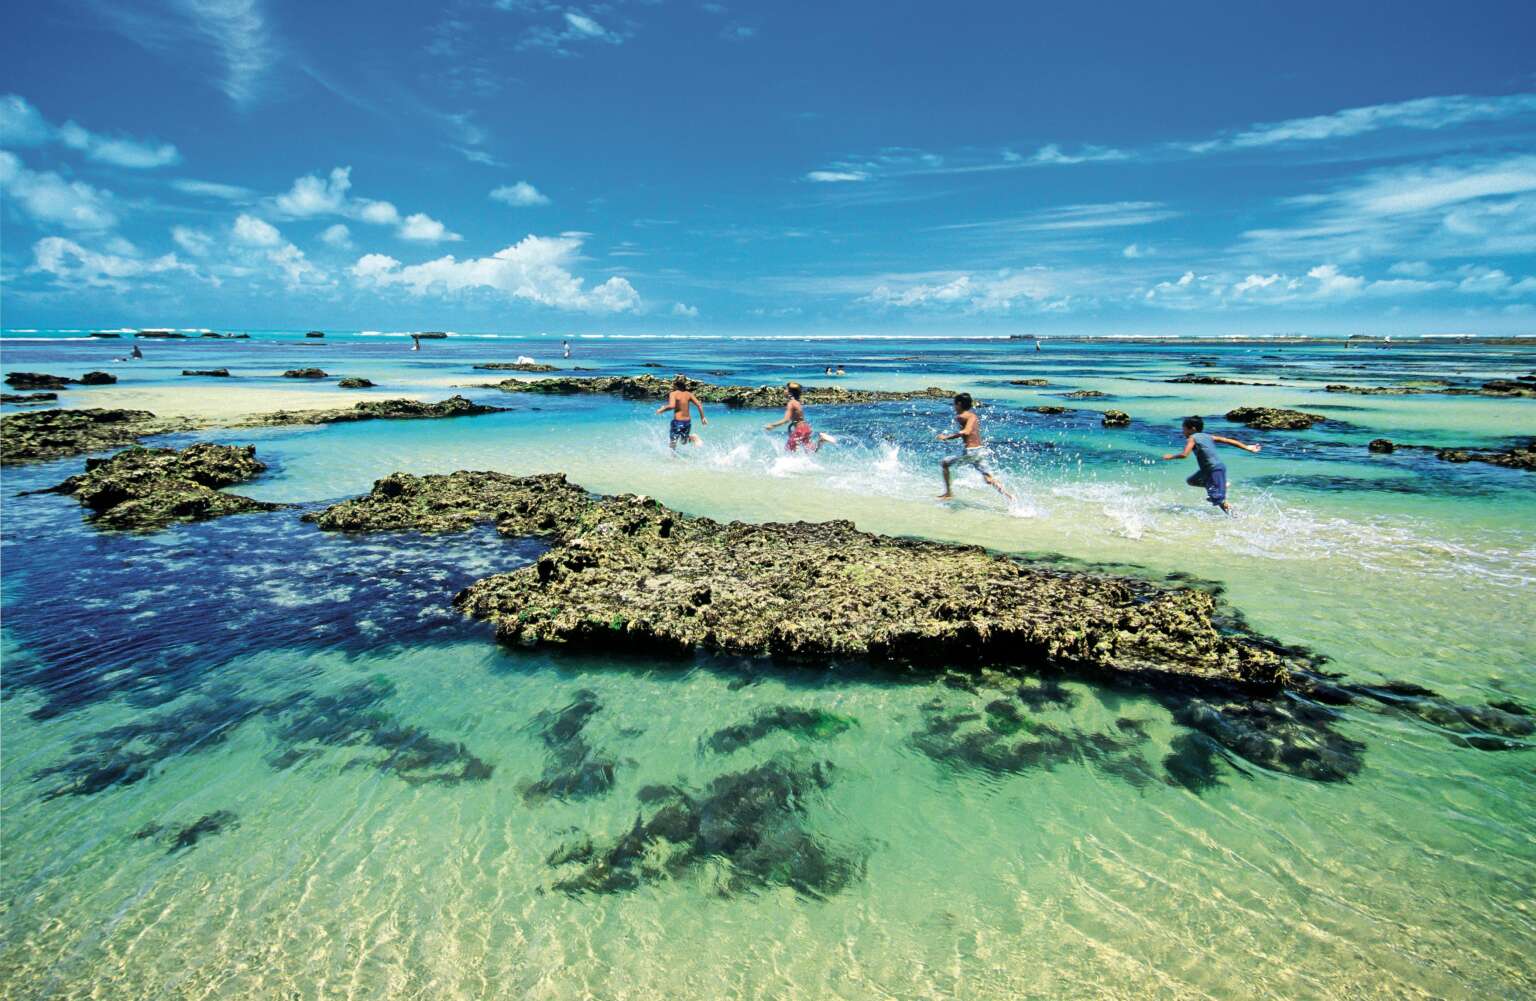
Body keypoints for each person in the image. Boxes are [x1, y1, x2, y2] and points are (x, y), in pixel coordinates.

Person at [1161, 416, 1260, 514]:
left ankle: (1235, 516)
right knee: (1191, 481)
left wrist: (1171, 457)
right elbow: (1228, 440)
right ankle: (1219, 486)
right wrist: (1247, 447)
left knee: (1219, 500)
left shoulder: (1192, 438)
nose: (1183, 432)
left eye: (1184, 429)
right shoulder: (1208, 436)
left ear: (1192, 429)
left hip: (1213, 469)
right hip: (1211, 469)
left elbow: (1184, 455)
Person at [937, 392, 1014, 501]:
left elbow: (967, 431)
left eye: (954, 404)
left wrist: (946, 437)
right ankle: (1009, 496)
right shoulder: (973, 415)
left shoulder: (960, 417)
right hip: (979, 451)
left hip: (970, 452)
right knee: (988, 478)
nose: (954, 407)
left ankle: (948, 493)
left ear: (959, 404)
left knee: (944, 463)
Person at [764, 382, 836, 452]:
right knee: (810, 450)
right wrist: (791, 426)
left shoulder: (791, 403)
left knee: (788, 450)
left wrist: (772, 425)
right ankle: (821, 440)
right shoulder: (797, 402)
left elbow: (786, 419)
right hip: (805, 428)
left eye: (786, 389)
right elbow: (798, 418)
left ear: (790, 393)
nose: (784, 390)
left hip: (800, 430)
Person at [656, 374, 707, 449]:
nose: (672, 387)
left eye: (673, 385)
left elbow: (671, 406)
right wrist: (703, 417)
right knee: (683, 441)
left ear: (676, 386)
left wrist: (662, 410)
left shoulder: (673, 394)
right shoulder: (689, 394)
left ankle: (672, 457)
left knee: (673, 441)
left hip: (678, 421)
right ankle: (693, 437)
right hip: (687, 421)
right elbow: (699, 404)